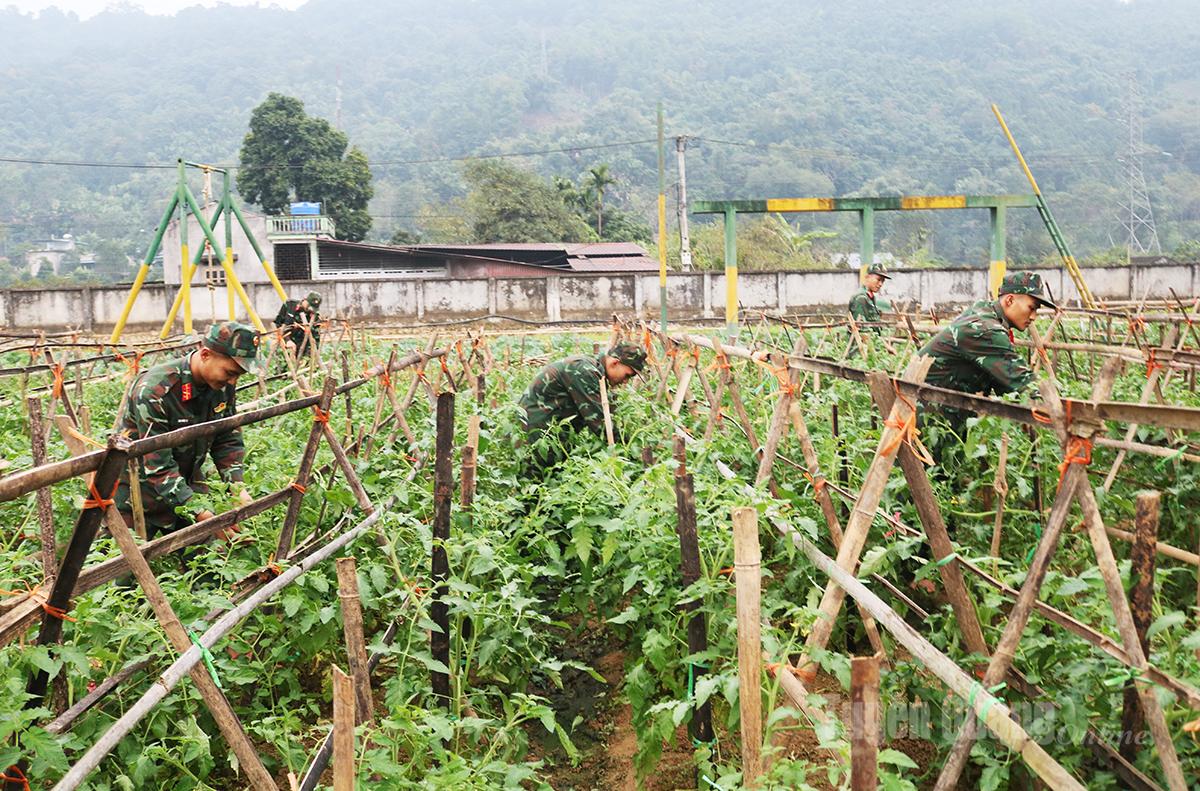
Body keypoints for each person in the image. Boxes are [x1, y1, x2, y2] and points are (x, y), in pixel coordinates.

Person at [115, 321, 263, 539]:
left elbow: (227, 438)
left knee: (216, 554)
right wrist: (202, 514)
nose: (233, 381)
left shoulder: (222, 386)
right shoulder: (155, 391)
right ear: (205, 355)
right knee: (121, 558)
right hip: (138, 495)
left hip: (186, 484)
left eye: (239, 375)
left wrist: (237, 488)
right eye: (230, 372)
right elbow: (158, 465)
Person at [918, 271, 1056, 442]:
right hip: (930, 420)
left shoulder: (984, 312)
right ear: (1010, 300)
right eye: (1031, 307)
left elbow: (1004, 384)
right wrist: (1059, 407)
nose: (1034, 316)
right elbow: (1021, 381)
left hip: (944, 413)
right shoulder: (986, 329)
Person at [517, 342, 646, 474]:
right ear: (614, 363)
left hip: (547, 429)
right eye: (627, 375)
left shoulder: (594, 370)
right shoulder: (584, 371)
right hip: (536, 430)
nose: (626, 381)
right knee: (534, 477)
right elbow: (600, 423)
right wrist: (632, 452)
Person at [274, 291, 323, 355]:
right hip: (287, 346)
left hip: (304, 349)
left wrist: (311, 352)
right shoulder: (290, 306)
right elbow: (278, 324)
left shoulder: (314, 315)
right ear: (305, 300)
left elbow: (316, 336)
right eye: (309, 306)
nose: (310, 309)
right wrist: (287, 340)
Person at [848, 262, 892, 331]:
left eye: (883, 281)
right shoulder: (861, 298)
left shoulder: (871, 297)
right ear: (867, 277)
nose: (880, 284)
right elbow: (861, 328)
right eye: (878, 279)